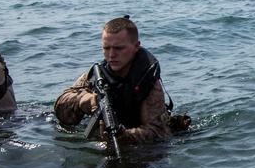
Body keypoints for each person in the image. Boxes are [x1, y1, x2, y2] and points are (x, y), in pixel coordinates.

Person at [55, 16, 182, 144]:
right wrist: (84, 101)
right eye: (106, 48)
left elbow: (160, 133)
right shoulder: (99, 74)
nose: (111, 55)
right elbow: (60, 108)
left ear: (136, 46)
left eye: (118, 48)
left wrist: (126, 136)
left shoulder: (148, 81)